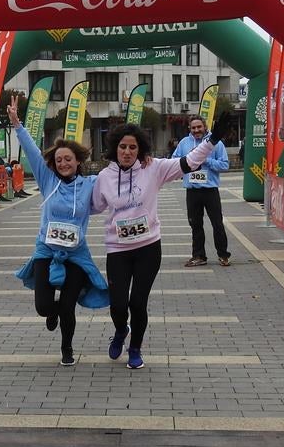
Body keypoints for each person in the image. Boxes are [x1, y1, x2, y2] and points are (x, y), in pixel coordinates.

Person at [92, 118, 229, 369]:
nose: (127, 152)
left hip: (148, 248)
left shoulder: (152, 168)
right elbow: (92, 205)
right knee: (119, 305)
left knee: (138, 303)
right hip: (118, 250)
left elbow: (188, 162)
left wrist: (212, 141)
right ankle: (121, 331)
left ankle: (135, 348)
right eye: (123, 146)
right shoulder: (104, 176)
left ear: (140, 150)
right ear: (115, 148)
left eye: (133, 147)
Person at [8, 103, 108, 366]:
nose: (63, 163)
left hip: (75, 254)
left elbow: (114, 181)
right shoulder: (47, 180)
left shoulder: (90, 185)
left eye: (68, 159)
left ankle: (67, 349)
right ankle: (50, 315)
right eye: (59, 160)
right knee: (44, 306)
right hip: (46, 250)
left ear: (77, 161)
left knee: (67, 307)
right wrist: (17, 125)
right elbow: (30, 151)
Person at [173, 117, 232, 267]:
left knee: (217, 224)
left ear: (204, 127)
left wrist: (205, 160)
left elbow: (224, 165)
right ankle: (199, 256)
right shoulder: (184, 143)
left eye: (199, 127)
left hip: (210, 190)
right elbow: (174, 161)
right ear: (189, 129)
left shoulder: (216, 143)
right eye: (193, 128)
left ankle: (223, 255)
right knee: (195, 225)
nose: (196, 130)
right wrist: (187, 161)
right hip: (192, 191)